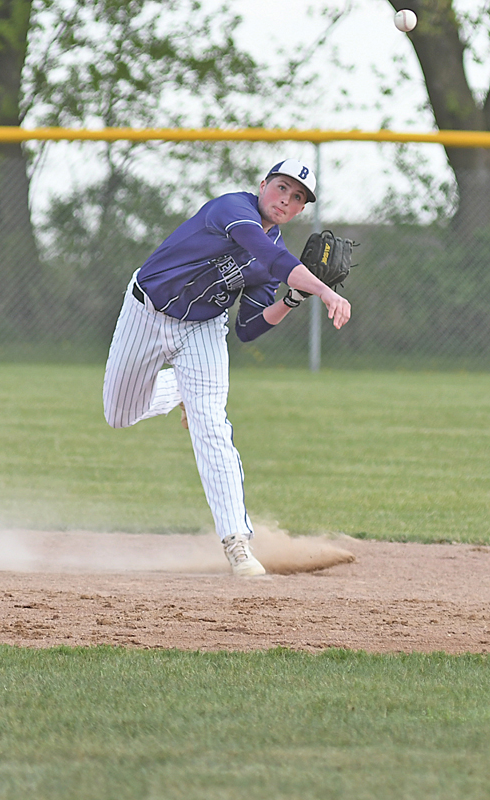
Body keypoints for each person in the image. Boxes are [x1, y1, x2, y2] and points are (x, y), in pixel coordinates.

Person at [103, 158, 351, 576]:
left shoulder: (277, 258)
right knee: (119, 415)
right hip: (146, 312)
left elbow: (250, 328)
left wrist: (293, 299)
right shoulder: (232, 209)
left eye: (296, 198)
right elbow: (266, 255)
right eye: (281, 188)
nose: (285, 200)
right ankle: (181, 389)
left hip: (202, 329)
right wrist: (325, 290)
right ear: (263, 184)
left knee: (211, 425)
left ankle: (238, 543)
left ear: (300, 210)